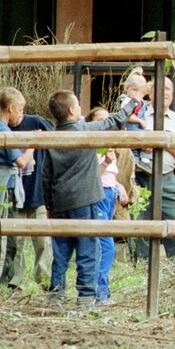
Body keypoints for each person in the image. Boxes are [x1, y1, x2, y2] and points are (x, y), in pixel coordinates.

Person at [42, 91, 128, 307]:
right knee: (88, 249)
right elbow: (115, 121)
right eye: (78, 104)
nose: (81, 108)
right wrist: (133, 102)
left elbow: (46, 175)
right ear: (72, 110)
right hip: (85, 199)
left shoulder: (51, 137)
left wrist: (49, 204)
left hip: (60, 201)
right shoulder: (85, 130)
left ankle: (56, 294)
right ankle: (86, 295)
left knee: (60, 251)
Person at [132, 77, 175, 267]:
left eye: (168, 88)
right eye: (160, 88)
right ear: (150, 93)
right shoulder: (139, 115)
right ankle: (140, 275)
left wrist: (161, 143)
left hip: (167, 178)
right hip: (139, 178)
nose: (164, 92)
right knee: (139, 229)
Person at [0, 87, 34, 294]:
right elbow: (21, 161)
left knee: (6, 235)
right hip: (5, 186)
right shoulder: (1, 131)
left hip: (5, 183)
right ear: (11, 108)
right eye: (20, 110)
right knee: (3, 236)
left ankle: (0, 282)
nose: (21, 114)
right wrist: (32, 146)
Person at [7, 110, 55, 289]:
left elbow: (56, 141)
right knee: (16, 242)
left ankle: (44, 280)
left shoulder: (36, 122)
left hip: (37, 191)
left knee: (42, 241)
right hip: (15, 194)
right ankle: (15, 281)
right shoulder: (3, 127)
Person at [87, 107, 130, 305]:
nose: (106, 124)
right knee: (106, 247)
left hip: (109, 196)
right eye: (100, 120)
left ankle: (101, 290)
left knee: (104, 245)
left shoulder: (109, 147)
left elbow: (109, 177)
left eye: (108, 120)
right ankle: (99, 291)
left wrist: (120, 188)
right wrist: (104, 161)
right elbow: (91, 174)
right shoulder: (93, 146)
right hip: (98, 196)